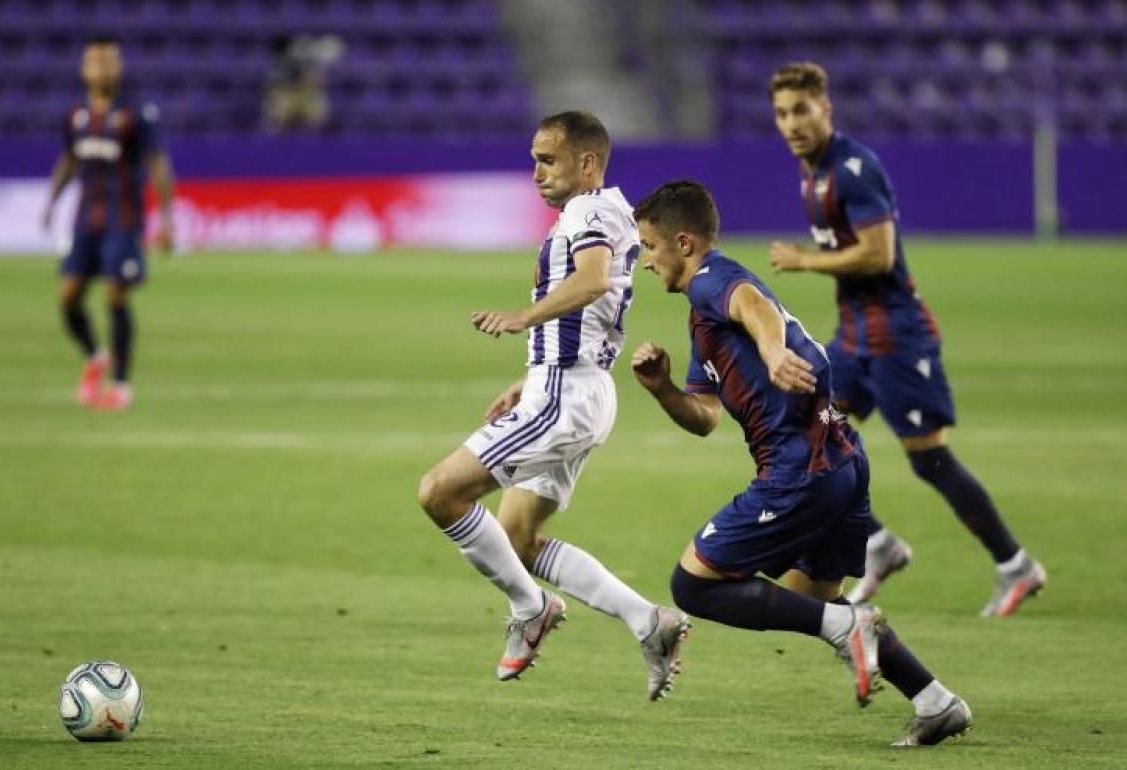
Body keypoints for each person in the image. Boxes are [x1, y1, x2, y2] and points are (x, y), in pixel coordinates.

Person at [630, 179, 971, 746]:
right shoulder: (703, 318)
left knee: (691, 585)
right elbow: (706, 417)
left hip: (799, 468)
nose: (645, 261)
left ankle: (850, 627)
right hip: (840, 461)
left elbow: (754, 305)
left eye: (648, 246)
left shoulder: (715, 280)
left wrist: (772, 351)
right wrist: (664, 389)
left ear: (683, 243)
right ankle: (935, 702)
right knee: (814, 601)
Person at [417, 111, 690, 700]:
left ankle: (531, 608)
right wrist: (531, 374)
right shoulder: (609, 209)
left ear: (586, 163)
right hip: (574, 386)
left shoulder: (588, 211)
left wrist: (523, 319)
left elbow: (591, 282)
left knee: (440, 492)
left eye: (548, 160)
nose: (537, 172)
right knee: (516, 536)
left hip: (565, 395)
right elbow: (592, 310)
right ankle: (650, 621)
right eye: (534, 160)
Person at [766, 62, 1044, 615]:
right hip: (854, 335)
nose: (791, 123)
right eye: (781, 114)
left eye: (801, 110)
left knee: (928, 459)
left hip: (896, 336)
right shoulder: (811, 172)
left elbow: (879, 254)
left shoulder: (853, 168)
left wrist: (805, 261)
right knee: (800, 428)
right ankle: (877, 544)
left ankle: (1015, 564)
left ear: (826, 109)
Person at [42, 35, 175, 411]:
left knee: (116, 292)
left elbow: (158, 164)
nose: (103, 68)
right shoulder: (76, 116)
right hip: (86, 218)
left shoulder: (136, 114)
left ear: (120, 67)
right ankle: (95, 356)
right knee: (68, 296)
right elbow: (69, 160)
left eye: (110, 61)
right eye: (96, 61)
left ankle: (120, 384)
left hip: (124, 217)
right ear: (84, 69)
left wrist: (166, 219)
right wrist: (51, 202)